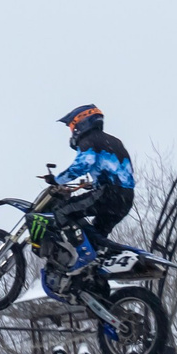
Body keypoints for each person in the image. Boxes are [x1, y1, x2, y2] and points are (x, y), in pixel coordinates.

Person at [50, 105, 136, 268]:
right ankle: (93, 270)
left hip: (109, 194)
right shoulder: (114, 141)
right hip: (126, 198)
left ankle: (83, 257)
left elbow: (84, 164)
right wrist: (92, 185)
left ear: (81, 122)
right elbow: (120, 170)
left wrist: (57, 180)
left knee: (61, 211)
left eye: (72, 126)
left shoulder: (88, 140)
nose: (72, 131)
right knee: (95, 237)